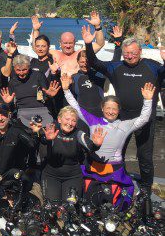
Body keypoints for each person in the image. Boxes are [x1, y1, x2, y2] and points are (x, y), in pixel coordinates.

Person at [81, 27, 164, 194]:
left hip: (145, 118)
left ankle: (146, 190)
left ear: (140, 51)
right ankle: (120, 180)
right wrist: (88, 44)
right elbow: (95, 63)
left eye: (133, 53)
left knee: (145, 156)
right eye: (126, 53)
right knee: (118, 152)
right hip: (123, 117)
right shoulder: (116, 67)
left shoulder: (152, 66)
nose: (130, 56)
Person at [62, 74, 155, 209]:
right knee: (89, 201)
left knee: (114, 204)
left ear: (118, 110)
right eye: (108, 108)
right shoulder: (93, 120)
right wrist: (66, 90)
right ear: (102, 108)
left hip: (114, 170)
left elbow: (144, 118)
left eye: (114, 109)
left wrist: (147, 100)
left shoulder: (125, 125)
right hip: (93, 168)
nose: (111, 111)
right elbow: (75, 106)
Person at [40, 106, 106, 203]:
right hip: (51, 176)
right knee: (52, 207)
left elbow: (90, 146)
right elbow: (42, 140)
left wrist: (96, 145)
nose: (70, 123)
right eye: (67, 119)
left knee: (70, 208)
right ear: (59, 119)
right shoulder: (52, 130)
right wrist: (47, 139)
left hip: (73, 177)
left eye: (73, 121)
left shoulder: (78, 134)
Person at [31, 12, 105, 76]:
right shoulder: (55, 54)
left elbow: (99, 44)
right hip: (60, 88)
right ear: (60, 43)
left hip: (77, 87)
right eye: (65, 43)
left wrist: (97, 27)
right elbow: (37, 48)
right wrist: (36, 30)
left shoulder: (80, 53)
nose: (68, 46)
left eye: (70, 43)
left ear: (74, 43)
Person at [1, 54, 61, 125]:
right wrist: (8, 102)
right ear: (14, 68)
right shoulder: (12, 81)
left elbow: (46, 96)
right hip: (22, 112)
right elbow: (11, 106)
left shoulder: (38, 75)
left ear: (29, 67)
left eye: (24, 70)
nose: (21, 73)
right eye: (18, 70)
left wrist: (49, 95)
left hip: (41, 110)